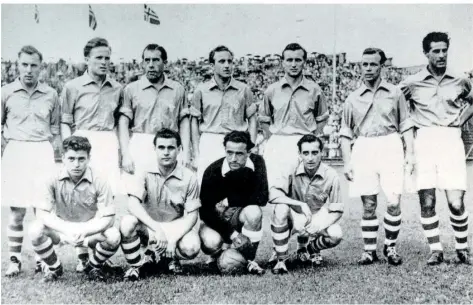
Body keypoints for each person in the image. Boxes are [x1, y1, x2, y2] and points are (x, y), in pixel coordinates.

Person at [400, 32, 473, 265]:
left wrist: (460, 121)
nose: (441, 55)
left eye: (444, 50)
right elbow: (398, 107)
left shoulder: (460, 79)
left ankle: (462, 248)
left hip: (451, 139)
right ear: (426, 53)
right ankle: (436, 249)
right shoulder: (411, 82)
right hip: (424, 140)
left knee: (456, 202)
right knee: (428, 201)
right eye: (436, 51)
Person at [339, 48, 413, 266]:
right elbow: (345, 133)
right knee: (369, 203)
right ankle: (369, 250)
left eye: (373, 64)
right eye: (365, 64)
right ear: (360, 66)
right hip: (364, 147)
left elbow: (406, 125)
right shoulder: (352, 98)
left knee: (393, 200)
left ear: (382, 66)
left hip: (390, 144)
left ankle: (390, 247)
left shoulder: (395, 93)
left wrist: (411, 154)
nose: (368, 68)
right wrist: (347, 162)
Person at [60, 37, 123, 271]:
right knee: (83, 199)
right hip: (81, 142)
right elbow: (65, 120)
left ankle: (99, 258)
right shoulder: (72, 86)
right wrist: (69, 147)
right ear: (87, 59)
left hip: (106, 141)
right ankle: (81, 256)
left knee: (106, 198)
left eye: (107, 57)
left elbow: (119, 122)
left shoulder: (117, 88)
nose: (104, 62)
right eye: (99, 57)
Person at [259, 43, 328, 254]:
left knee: (303, 196)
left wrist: (309, 140)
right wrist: (274, 140)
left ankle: (304, 247)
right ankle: (278, 249)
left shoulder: (314, 89)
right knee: (280, 196)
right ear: (282, 62)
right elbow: (264, 120)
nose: (293, 64)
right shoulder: (272, 90)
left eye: (298, 60)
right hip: (278, 143)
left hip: (303, 144)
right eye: (289, 59)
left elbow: (322, 119)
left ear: (305, 63)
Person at [2, 45, 61, 276]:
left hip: (42, 151)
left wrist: (57, 157)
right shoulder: (5, 92)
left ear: (41, 67)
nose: (28, 70)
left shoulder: (51, 94)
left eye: (33, 65)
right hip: (16, 151)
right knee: (17, 211)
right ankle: (14, 260)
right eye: (24, 64)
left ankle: (41, 259)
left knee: (42, 210)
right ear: (17, 65)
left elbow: (55, 129)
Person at [28, 136, 121, 282]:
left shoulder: (100, 179)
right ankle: (54, 268)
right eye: (71, 159)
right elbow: (42, 213)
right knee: (35, 230)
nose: (76, 164)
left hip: (88, 228)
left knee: (113, 236)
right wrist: (65, 229)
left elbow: (109, 218)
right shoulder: (51, 177)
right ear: (63, 158)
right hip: (61, 227)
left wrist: (86, 231)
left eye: (81, 159)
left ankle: (93, 266)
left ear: (89, 158)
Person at [119, 128, 201, 281]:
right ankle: (136, 265)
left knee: (192, 247)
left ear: (179, 149)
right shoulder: (142, 171)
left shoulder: (189, 177)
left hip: (174, 225)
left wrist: (173, 239)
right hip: (149, 226)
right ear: (154, 149)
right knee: (127, 223)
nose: (166, 152)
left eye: (171, 148)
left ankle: (167, 257)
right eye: (161, 147)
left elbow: (192, 216)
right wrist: (156, 229)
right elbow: (133, 204)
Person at [270, 134, 343, 274]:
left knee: (336, 234)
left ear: (322, 153)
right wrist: (299, 204)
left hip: (315, 216)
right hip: (294, 215)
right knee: (280, 208)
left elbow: (337, 209)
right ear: (300, 154)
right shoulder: (290, 168)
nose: (310, 158)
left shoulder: (332, 175)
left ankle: (310, 249)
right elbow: (273, 195)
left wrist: (320, 225)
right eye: (306, 153)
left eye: (315, 153)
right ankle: (280, 259)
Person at [118, 44, 191, 185]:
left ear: (165, 63)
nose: (151, 65)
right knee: (136, 191)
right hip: (141, 143)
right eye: (147, 60)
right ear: (142, 63)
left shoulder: (178, 89)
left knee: (169, 191)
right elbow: (123, 123)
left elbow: (184, 122)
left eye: (156, 60)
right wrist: (126, 154)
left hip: (168, 144)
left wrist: (185, 151)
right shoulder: (131, 89)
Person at [199, 131, 268, 275]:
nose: (233, 158)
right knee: (211, 242)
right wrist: (232, 234)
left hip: (237, 215)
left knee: (254, 212)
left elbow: (262, 197)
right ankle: (217, 256)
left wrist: (228, 201)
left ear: (249, 152)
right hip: (216, 220)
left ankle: (248, 259)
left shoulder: (258, 162)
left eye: (239, 154)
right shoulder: (212, 171)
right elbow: (205, 211)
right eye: (229, 153)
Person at [190, 46, 258, 182]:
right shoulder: (201, 90)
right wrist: (197, 153)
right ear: (212, 65)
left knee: (237, 186)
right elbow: (194, 122)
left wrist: (251, 145)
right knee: (206, 185)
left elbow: (252, 119)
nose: (227, 65)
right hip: (210, 140)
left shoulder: (244, 89)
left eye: (230, 61)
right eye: (221, 61)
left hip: (236, 142)